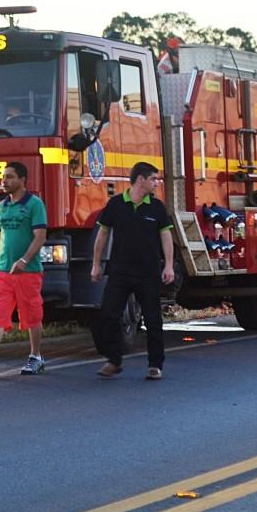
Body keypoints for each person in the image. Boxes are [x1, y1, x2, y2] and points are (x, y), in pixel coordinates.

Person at [91, 162, 175, 380]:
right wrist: (96, 264)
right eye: (153, 179)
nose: (156, 183)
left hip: (148, 272)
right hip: (120, 271)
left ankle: (155, 365)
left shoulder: (156, 207)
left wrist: (168, 265)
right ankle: (114, 360)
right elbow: (102, 234)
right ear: (140, 180)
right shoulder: (116, 204)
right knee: (109, 315)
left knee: (153, 319)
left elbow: (166, 237)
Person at [0, 162, 48, 379]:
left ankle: (36, 356)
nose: (4, 181)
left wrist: (24, 260)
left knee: (31, 313)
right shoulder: (1, 207)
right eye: (3, 177)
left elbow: (40, 236)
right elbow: (0, 237)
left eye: (10, 177)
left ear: (23, 180)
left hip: (28, 271)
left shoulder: (34, 204)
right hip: (3, 271)